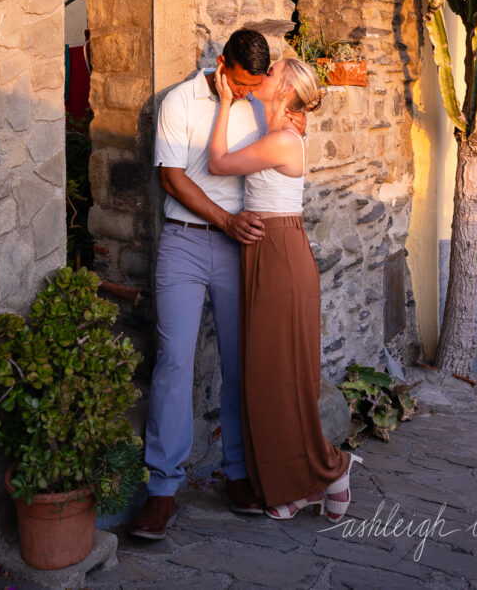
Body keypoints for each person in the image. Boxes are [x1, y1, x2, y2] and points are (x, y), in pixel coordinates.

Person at [129, 28, 271, 540]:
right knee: (173, 362)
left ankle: (237, 474)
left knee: (239, 360)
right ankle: (162, 492)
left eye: (257, 85)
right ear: (221, 64)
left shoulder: (257, 104)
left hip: (241, 248)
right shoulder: (178, 102)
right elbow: (172, 178)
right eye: (241, 82)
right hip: (185, 242)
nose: (250, 93)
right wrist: (226, 221)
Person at [208, 57, 362, 521]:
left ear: (283, 90)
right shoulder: (278, 130)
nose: (263, 75)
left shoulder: (281, 140)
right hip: (264, 250)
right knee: (267, 377)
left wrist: (223, 103)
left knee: (280, 377)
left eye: (271, 72)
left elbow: (217, 163)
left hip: (278, 254)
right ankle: (293, 488)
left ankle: (332, 468)